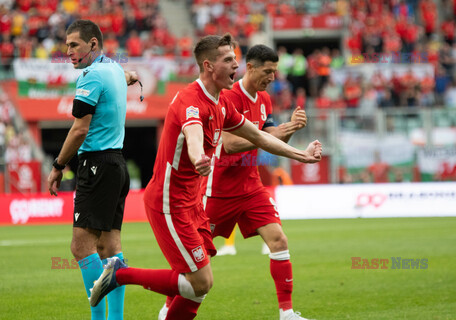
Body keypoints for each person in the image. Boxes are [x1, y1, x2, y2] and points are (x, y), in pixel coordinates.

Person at [89, 34, 322, 320]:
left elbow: (259, 136)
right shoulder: (191, 100)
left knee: (198, 287)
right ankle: (121, 274)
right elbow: (194, 132)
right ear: (209, 66)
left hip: (193, 203)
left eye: (235, 59)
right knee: (200, 282)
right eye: (228, 60)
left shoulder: (222, 101)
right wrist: (199, 155)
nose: (235, 65)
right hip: (169, 203)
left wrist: (302, 154)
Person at [201, 44, 311, 320]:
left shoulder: (264, 100)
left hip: (251, 187)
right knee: (199, 255)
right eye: (268, 71)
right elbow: (230, 143)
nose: (273, 77)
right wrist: (279, 132)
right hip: (220, 189)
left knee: (278, 240)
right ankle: (169, 306)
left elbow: (269, 137)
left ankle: (286, 313)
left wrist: (291, 128)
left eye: (275, 71)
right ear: (250, 67)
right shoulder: (228, 96)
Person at [46, 20, 137, 320]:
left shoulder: (90, 76)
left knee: (80, 246)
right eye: (67, 45)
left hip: (96, 165)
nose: (68, 51)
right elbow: (122, 77)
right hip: (117, 164)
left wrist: (58, 166)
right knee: (109, 247)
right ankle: (115, 319)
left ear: (93, 45)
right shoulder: (112, 68)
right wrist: (131, 75)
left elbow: (79, 130)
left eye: (74, 45)